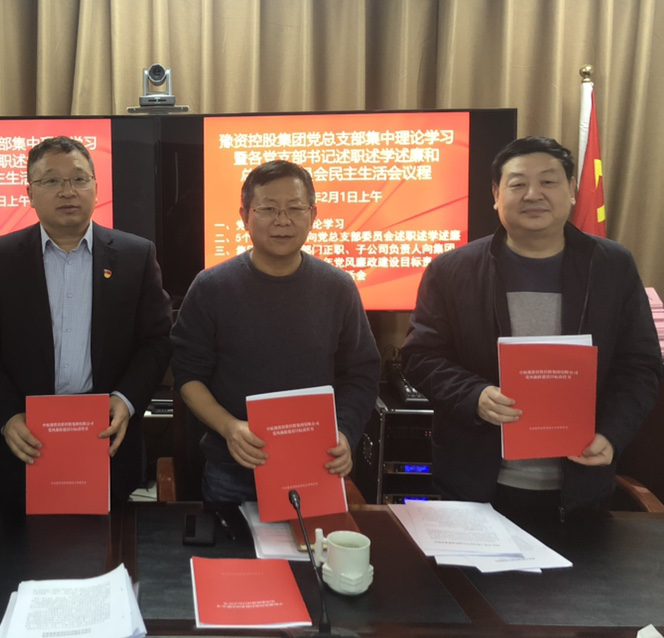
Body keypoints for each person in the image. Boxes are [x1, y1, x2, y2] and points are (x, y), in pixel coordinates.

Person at [401, 136, 662, 521]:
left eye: (548, 182)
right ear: (496, 194)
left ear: (571, 189)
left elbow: (639, 365)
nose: (533, 194)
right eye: (518, 183)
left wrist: (612, 433)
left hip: (581, 483)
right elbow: (420, 357)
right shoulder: (452, 270)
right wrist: (474, 395)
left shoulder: (611, 266)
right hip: (474, 483)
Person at [0, 136, 172, 511]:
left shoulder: (136, 255)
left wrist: (126, 400)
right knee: (21, 541)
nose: (67, 191)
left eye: (78, 179)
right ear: (30, 193)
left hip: (105, 437)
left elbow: (157, 339)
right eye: (51, 181)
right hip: (25, 439)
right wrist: (7, 416)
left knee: (109, 539)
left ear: (96, 187)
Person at [170, 160, 381, 502]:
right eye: (268, 209)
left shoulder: (338, 288)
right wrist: (229, 428)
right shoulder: (211, 287)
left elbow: (361, 373)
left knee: (314, 540)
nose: (283, 220)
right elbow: (188, 375)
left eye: (295, 208)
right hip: (234, 468)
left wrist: (344, 432)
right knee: (234, 540)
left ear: (313, 215)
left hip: (315, 465)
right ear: (245, 216)